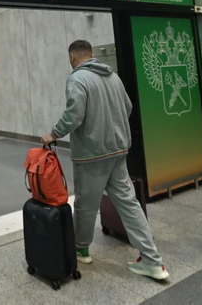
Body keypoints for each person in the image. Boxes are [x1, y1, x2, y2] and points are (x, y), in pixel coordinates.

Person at [42, 40, 169, 281]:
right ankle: (153, 261)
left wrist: (54, 133)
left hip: (91, 155)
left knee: (86, 205)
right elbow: (128, 107)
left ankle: (81, 249)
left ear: (72, 57)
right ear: (91, 54)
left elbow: (74, 115)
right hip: (118, 151)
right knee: (129, 205)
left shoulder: (77, 79)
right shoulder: (113, 77)